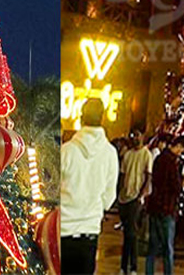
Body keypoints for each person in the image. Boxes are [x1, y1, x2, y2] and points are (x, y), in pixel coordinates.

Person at [61, 97, 120, 275]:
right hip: (89, 232)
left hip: (63, 231)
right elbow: (110, 197)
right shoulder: (110, 153)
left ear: (81, 117)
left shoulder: (67, 151)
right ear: (102, 118)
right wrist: (94, 208)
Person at [145, 135, 184, 275]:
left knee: (152, 247)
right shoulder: (172, 162)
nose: (181, 152)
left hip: (155, 206)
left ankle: (149, 272)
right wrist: (182, 181)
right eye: (181, 149)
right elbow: (175, 186)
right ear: (178, 146)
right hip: (167, 208)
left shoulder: (158, 159)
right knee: (168, 248)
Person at [118, 130, 154, 275]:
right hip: (124, 197)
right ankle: (124, 266)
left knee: (131, 233)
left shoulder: (146, 154)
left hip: (136, 197)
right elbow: (122, 175)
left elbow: (148, 176)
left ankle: (132, 267)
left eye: (137, 135)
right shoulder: (127, 154)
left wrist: (141, 195)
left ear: (143, 136)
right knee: (127, 233)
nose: (135, 138)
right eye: (133, 136)